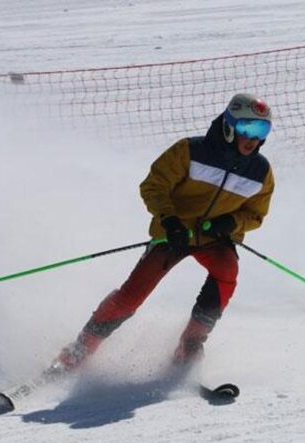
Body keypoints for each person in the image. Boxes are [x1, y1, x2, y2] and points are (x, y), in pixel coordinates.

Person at [47, 93, 275, 375]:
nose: (253, 139)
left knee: (227, 271)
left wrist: (230, 223)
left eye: (261, 131)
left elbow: (255, 214)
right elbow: (153, 186)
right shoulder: (189, 151)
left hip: (214, 238)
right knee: (131, 296)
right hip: (174, 234)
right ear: (229, 126)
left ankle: (190, 344)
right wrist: (170, 221)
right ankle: (80, 348)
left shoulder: (261, 172)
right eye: (247, 129)